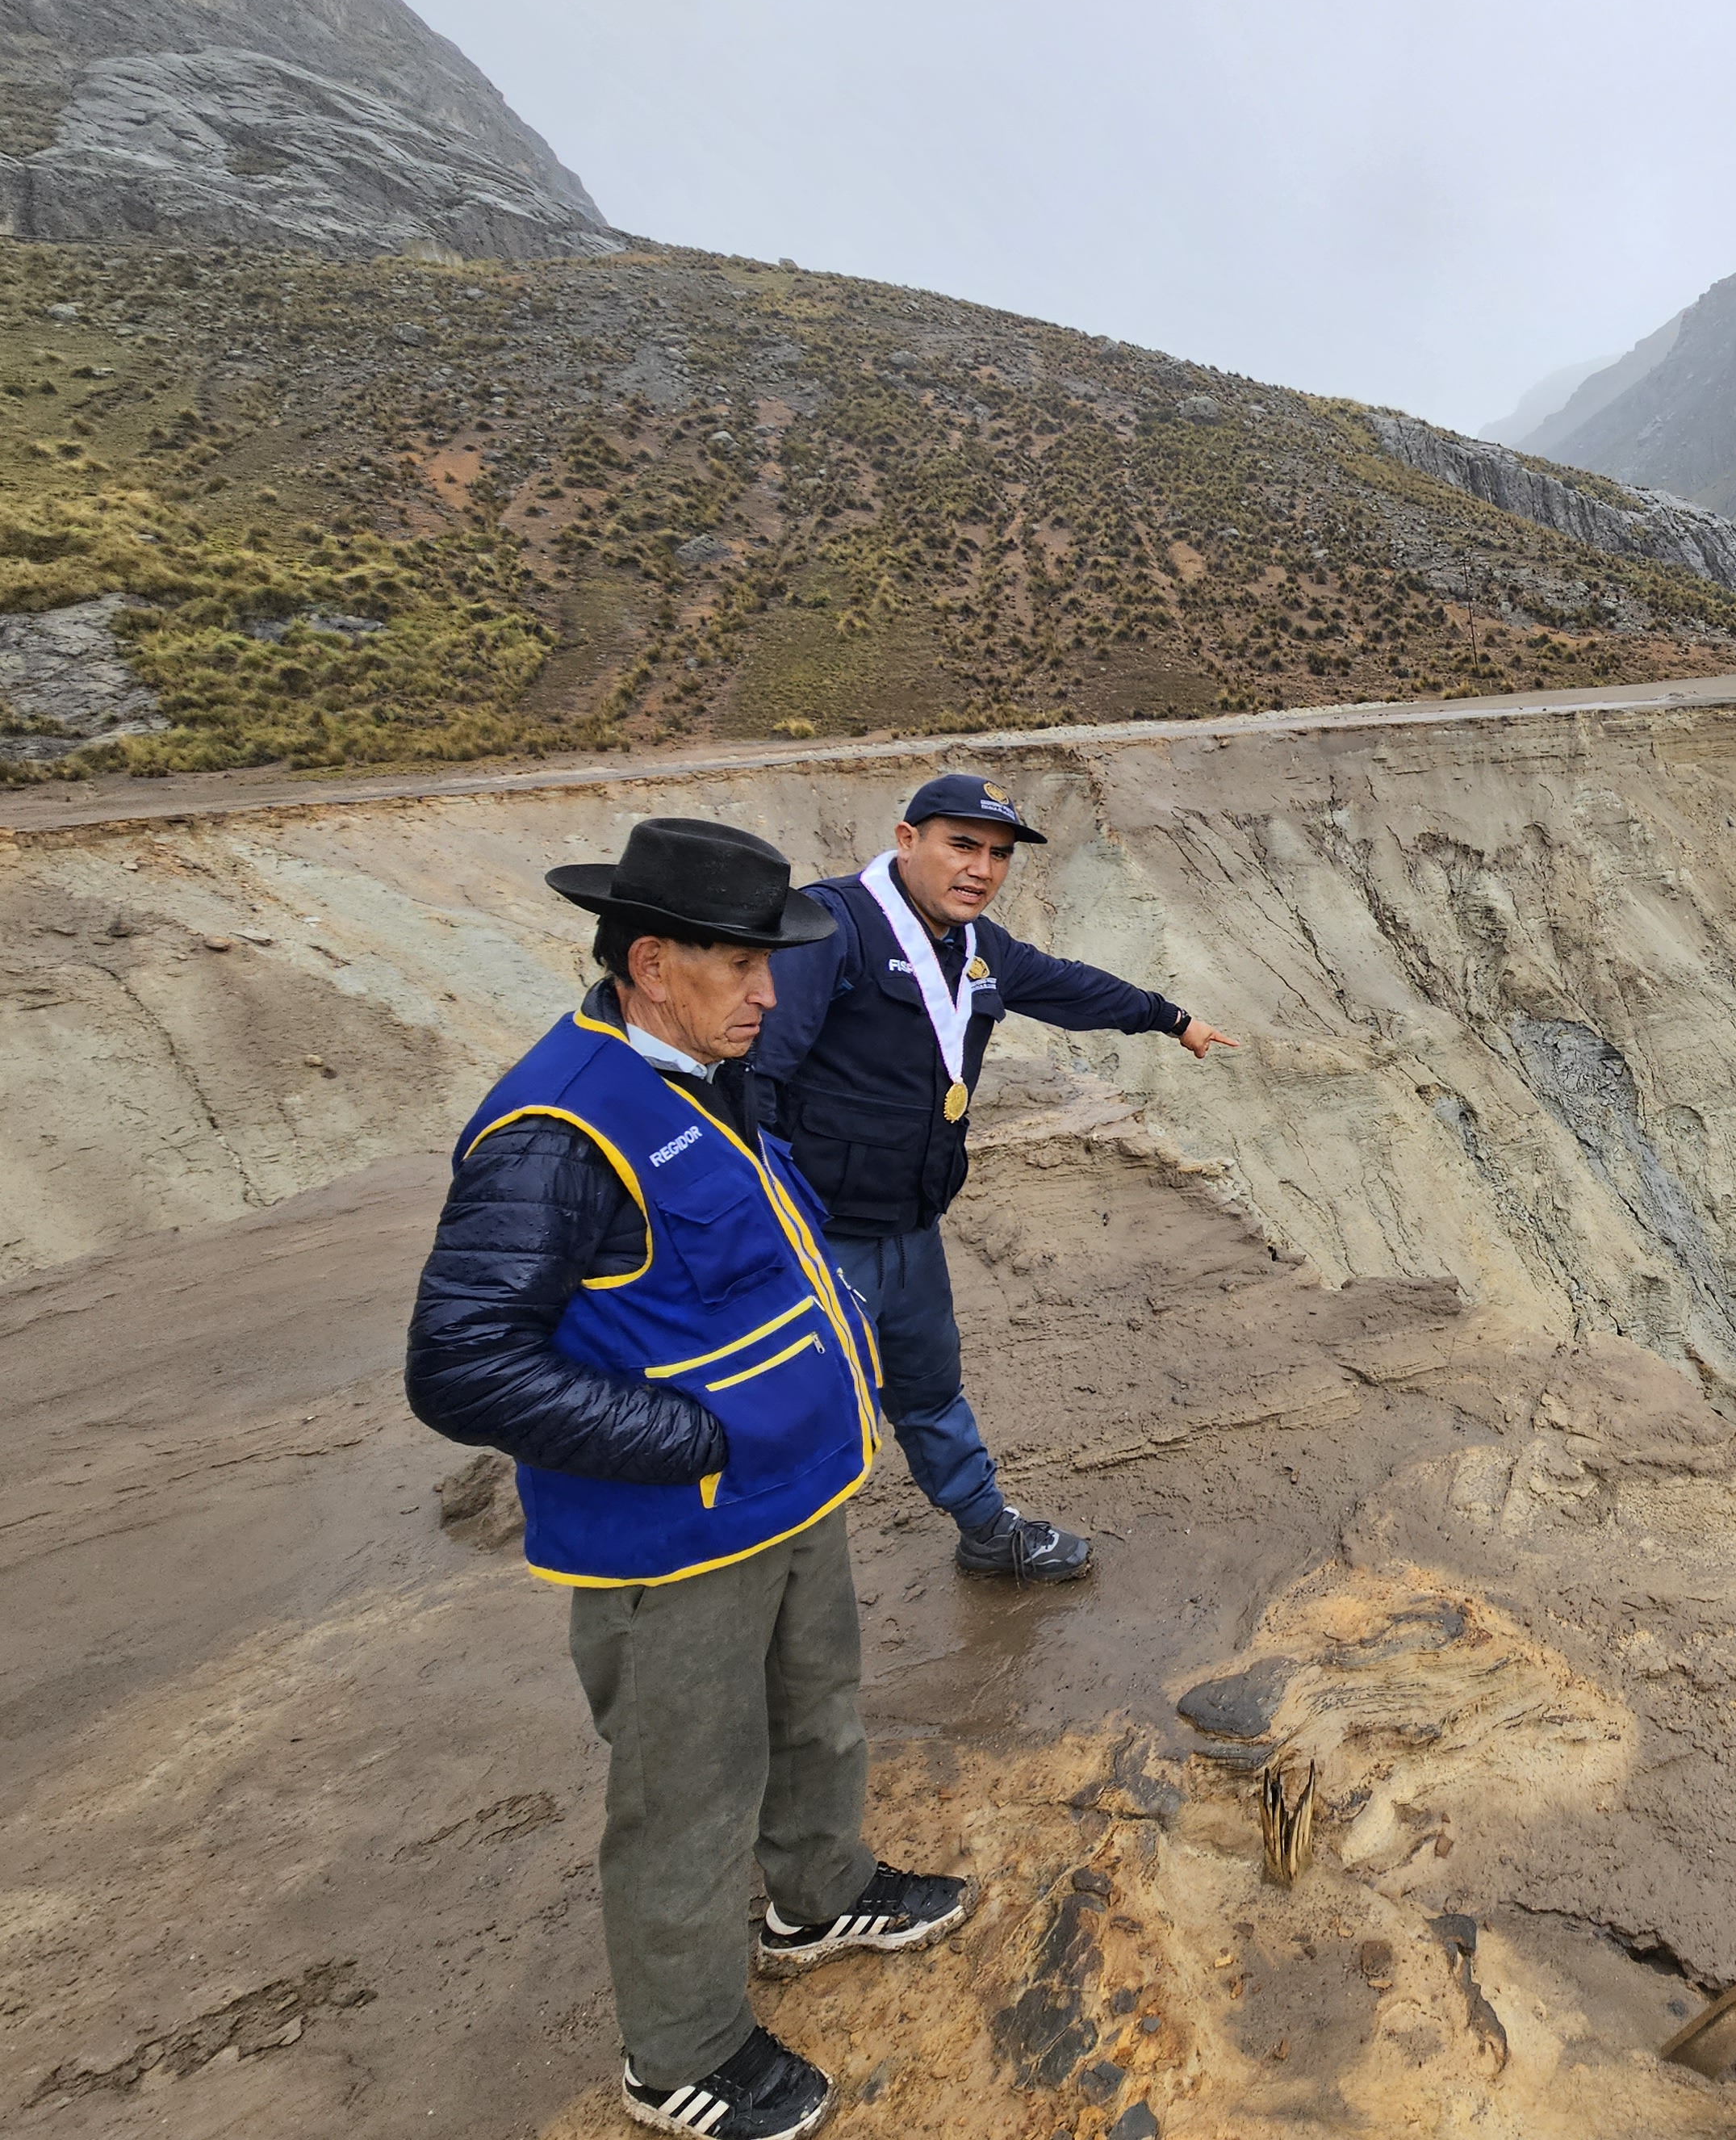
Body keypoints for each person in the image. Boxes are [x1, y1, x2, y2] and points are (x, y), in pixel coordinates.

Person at [407, 817, 968, 2140]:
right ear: (652, 962)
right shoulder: (556, 1133)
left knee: (817, 1710)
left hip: (789, 1501)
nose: (771, 993)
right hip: (675, 1545)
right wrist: (691, 1445)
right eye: (743, 967)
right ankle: (684, 2057)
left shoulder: (708, 1070)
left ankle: (817, 1895)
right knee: (687, 1799)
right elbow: (460, 1366)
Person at [749, 773, 1236, 1582]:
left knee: (930, 1388)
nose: (981, 868)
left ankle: (986, 1529)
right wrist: (771, 1220)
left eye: (999, 855)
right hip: (817, 1233)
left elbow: (1068, 987)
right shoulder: (833, 927)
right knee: (803, 1408)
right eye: (962, 845)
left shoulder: (976, 949)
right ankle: (773, 1579)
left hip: (909, 1223)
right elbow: (758, 1076)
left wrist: (1169, 1017)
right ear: (908, 841)